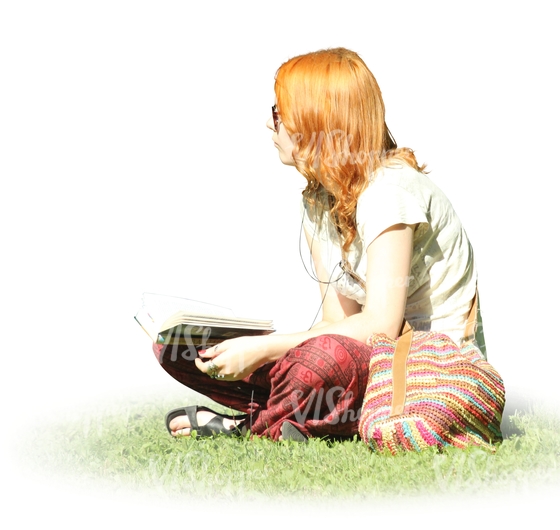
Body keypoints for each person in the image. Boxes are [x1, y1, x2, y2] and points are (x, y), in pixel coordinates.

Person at [159, 47, 484, 442]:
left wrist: (269, 350)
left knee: (326, 359)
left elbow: (380, 325)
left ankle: (248, 426)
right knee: (179, 349)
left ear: (317, 122)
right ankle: (297, 415)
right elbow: (336, 319)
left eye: (279, 113)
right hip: (365, 358)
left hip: (422, 368)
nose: (268, 122)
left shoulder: (389, 191)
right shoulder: (318, 200)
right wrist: (257, 350)